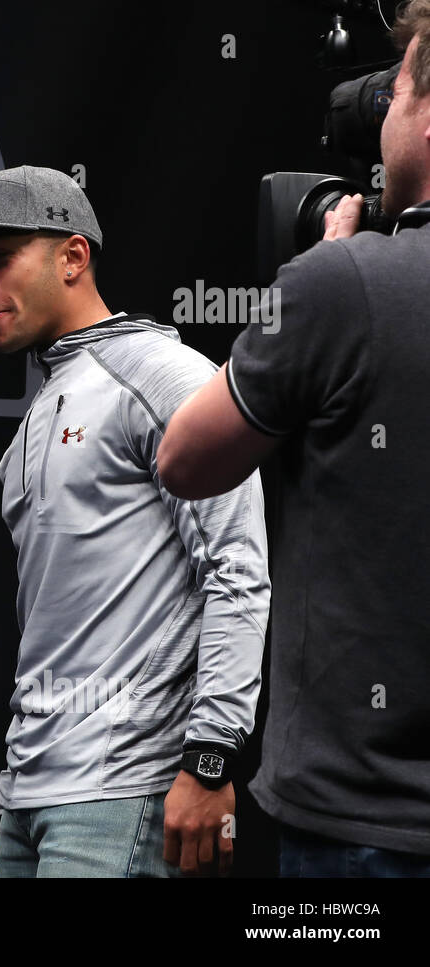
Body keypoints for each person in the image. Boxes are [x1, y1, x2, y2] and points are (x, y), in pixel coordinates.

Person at [0, 166, 270, 877]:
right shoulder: (40, 413)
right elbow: (58, 629)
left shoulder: (162, 374)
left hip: (124, 792)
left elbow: (237, 569)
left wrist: (210, 757)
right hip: (35, 798)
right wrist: (17, 807)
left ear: (73, 256)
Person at [157, 3, 430, 876]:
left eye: (399, 88)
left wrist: (314, 278)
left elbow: (185, 459)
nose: (382, 111)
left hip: (363, 823)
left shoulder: (339, 282)